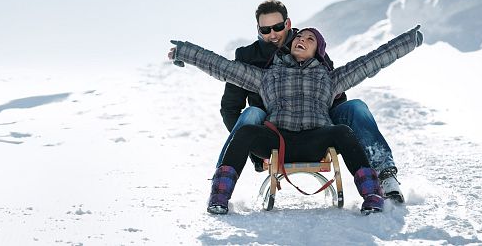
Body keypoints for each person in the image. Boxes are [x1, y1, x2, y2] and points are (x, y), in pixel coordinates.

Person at [168, 25, 423, 215]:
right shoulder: (267, 76)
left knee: (343, 131)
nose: (302, 40)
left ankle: (372, 195)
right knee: (246, 131)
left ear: (318, 51)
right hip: (278, 141)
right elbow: (222, 67)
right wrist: (185, 52)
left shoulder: (330, 78)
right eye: (299, 37)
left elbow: (371, 61)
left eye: (310, 39)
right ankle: (219, 196)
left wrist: (409, 41)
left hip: (316, 140)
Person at [218, 0, 406, 203]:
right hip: (271, 125)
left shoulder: (308, 42)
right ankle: (221, 183)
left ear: (288, 24)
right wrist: (255, 152)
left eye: (278, 27)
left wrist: (332, 132)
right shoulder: (248, 55)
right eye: (265, 30)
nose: (272, 34)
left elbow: (335, 91)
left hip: (316, 120)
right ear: (258, 29)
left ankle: (385, 176)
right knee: (251, 113)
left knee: (355, 107)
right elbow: (230, 108)